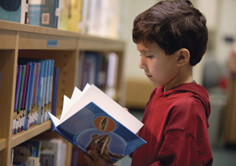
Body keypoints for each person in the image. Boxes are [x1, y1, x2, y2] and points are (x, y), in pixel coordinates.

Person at [85, 0, 213, 165]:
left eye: (150, 56)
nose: (141, 64)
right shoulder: (160, 92)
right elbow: (151, 145)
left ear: (181, 57)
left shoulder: (187, 108)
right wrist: (127, 131)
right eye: (141, 55)